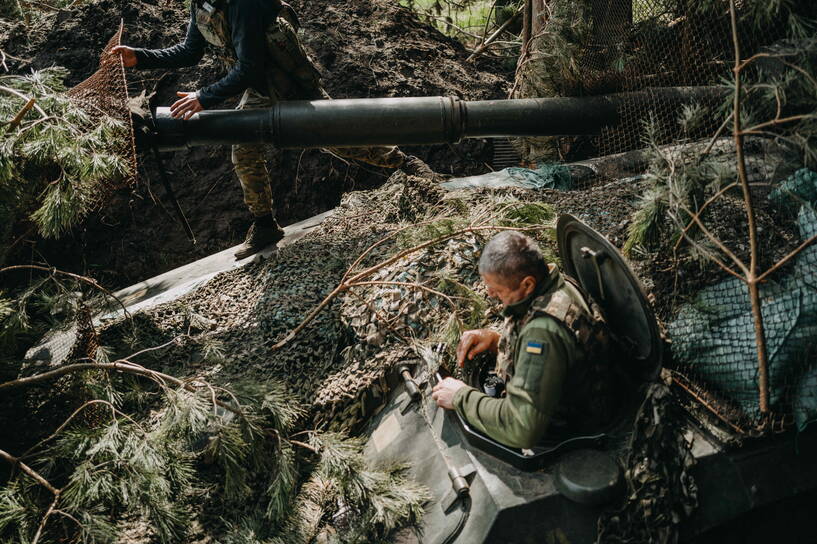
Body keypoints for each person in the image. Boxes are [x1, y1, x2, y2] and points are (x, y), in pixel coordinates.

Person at [112, 0, 434, 259]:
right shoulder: (201, 4)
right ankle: (265, 224)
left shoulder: (244, 4)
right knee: (244, 147)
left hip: (288, 84)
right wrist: (139, 57)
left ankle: (405, 165)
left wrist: (204, 97)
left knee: (340, 139)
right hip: (261, 89)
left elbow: (248, 68)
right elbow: (191, 50)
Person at [431, 231, 616, 449]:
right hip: (583, 390)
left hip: (568, 430)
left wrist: (461, 397)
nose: (490, 294)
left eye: (497, 289)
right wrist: (495, 341)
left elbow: (520, 429)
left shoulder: (543, 333)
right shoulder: (557, 283)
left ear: (527, 284)